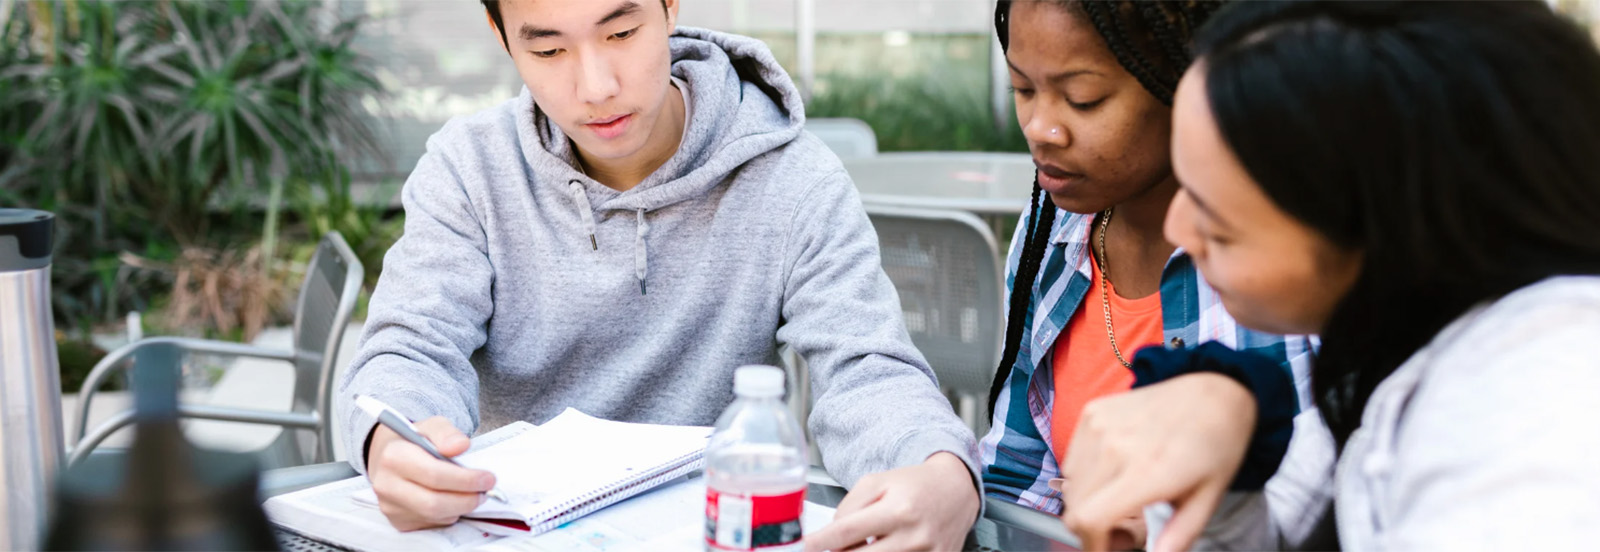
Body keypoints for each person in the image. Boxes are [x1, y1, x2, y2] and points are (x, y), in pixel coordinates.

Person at [338, 1, 981, 547]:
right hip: (512, 530)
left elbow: (868, 370)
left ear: (671, 5)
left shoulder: (794, 180)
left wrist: (942, 468)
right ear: (500, 35)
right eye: (550, 50)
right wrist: (394, 442)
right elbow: (409, 346)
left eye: (620, 34)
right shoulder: (470, 168)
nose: (595, 87)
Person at [1058, 1, 1600, 550]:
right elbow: (1281, 530)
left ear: (1388, 222)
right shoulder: (1386, 353)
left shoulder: (1543, 412)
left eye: (1218, 220)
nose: (1181, 230)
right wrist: (1227, 447)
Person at [980, 0, 1314, 536]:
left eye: (1082, 99)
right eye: (1022, 89)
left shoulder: (1287, 257)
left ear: (1186, 79)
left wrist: (1184, 520)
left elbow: (1337, 486)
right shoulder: (1050, 233)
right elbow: (1017, 477)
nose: (1040, 128)